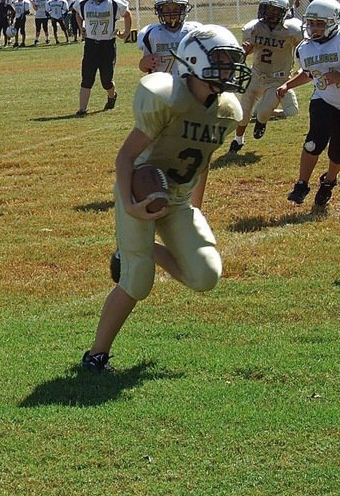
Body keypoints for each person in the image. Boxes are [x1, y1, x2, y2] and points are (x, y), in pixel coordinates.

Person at [81, 25, 250, 372]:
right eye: (220, 62)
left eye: (231, 63)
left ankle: (142, 251)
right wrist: (130, 205)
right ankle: (96, 356)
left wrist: (195, 208)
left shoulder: (227, 109)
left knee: (205, 276)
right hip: (139, 190)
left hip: (177, 199)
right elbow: (125, 158)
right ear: (193, 61)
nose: (228, 71)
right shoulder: (166, 96)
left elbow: (202, 163)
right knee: (137, 282)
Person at [276, 0, 340, 208]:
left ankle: (329, 181)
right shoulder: (305, 48)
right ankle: (301, 184)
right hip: (323, 99)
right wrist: (288, 85)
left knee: (338, 152)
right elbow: (309, 73)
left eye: (320, 23)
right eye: (311, 22)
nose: (314, 28)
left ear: (334, 22)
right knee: (313, 142)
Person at [226, 0, 304, 154]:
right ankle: (238, 140)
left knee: (262, 112)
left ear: (283, 12)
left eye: (275, 11)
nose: (271, 13)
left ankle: (261, 123)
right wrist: (245, 51)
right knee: (244, 112)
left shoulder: (292, 30)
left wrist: (303, 65)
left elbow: (303, 49)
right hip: (256, 75)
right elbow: (246, 51)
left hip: (277, 79)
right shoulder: (253, 28)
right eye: (268, 9)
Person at [74, 0, 133, 116]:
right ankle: (82, 109)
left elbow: (127, 14)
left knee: (106, 80)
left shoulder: (114, 3)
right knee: (87, 78)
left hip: (107, 45)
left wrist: (126, 32)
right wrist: (81, 28)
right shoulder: (83, 3)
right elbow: (77, 14)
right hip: (91, 45)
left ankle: (112, 96)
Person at [136, 0, 200, 74]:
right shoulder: (151, 33)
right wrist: (144, 63)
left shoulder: (194, 31)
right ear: (160, 11)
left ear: (184, 10)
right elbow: (144, 67)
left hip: (187, 84)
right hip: (161, 84)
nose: (171, 14)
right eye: (167, 10)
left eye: (176, 10)